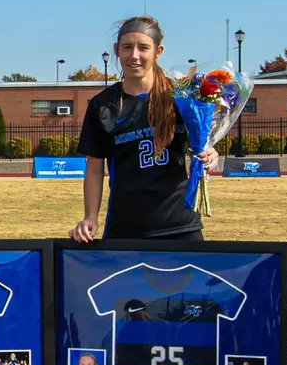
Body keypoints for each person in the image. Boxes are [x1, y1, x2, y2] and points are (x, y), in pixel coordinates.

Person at [72, 16, 219, 243]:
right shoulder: (102, 104)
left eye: (143, 48)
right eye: (127, 47)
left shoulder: (180, 97)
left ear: (158, 51)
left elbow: (198, 145)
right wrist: (90, 217)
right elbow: (94, 167)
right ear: (116, 50)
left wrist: (209, 153)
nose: (134, 56)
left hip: (180, 227)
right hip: (126, 228)